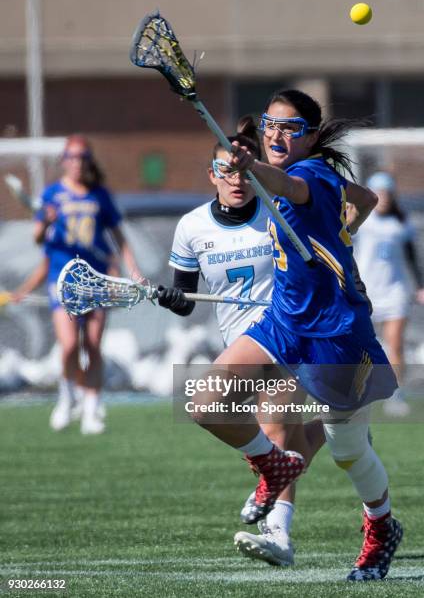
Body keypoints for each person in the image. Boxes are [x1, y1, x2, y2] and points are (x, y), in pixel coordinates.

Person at [174, 89, 401, 582]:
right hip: (283, 319)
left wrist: (255, 169)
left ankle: (382, 526)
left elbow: (289, 186)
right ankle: (274, 465)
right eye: (272, 125)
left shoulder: (311, 174)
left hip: (337, 333)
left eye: (291, 128)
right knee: (206, 402)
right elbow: (364, 198)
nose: (277, 134)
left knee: (349, 453)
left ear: (312, 136)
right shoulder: (304, 176)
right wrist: (345, 232)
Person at [32, 135, 142, 435]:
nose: (77, 162)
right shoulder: (52, 194)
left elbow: (119, 237)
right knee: (69, 346)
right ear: (63, 160)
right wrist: (46, 221)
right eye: (72, 156)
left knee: (92, 345)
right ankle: (67, 395)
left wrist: (131, 270)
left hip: (96, 280)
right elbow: (38, 238)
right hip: (62, 279)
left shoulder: (99, 195)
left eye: (82, 157)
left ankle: (92, 408)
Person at [354, 171, 424, 416]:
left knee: (395, 345)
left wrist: (419, 285)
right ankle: (359, 392)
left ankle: (396, 394)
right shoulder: (361, 219)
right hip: (365, 292)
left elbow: (411, 256)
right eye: (378, 192)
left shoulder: (400, 222)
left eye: (387, 193)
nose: (383, 197)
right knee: (362, 347)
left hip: (395, 291)